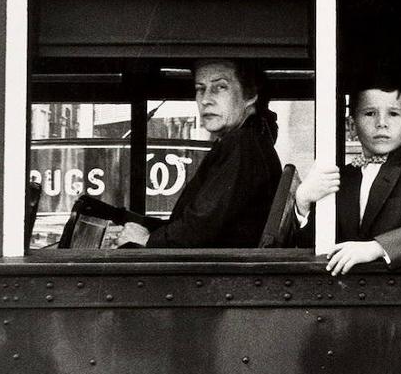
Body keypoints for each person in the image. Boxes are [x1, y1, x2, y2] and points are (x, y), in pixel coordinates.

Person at [292, 79, 401, 275]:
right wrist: (302, 202)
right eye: (370, 113)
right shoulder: (341, 177)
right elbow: (311, 247)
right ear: (352, 126)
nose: (382, 123)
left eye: (393, 114)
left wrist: (376, 247)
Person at [112, 59, 281, 248]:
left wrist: (146, 240)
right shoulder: (249, 140)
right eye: (200, 89)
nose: (205, 100)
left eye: (219, 87)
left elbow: (200, 226)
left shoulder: (242, 143)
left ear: (250, 95)